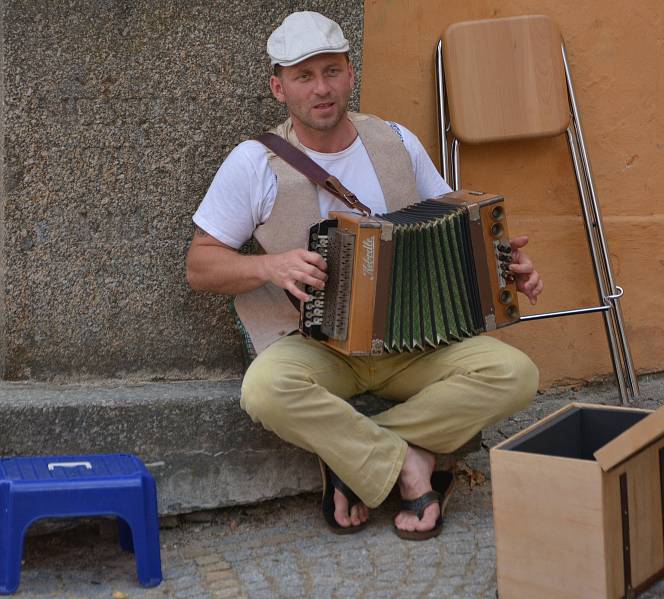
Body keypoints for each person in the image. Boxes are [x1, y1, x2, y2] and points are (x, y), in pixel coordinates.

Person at [186, 11, 544, 539]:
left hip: (413, 346)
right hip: (318, 348)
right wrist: (270, 264)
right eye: (304, 77)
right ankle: (410, 465)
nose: (321, 89)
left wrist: (504, 267)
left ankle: (357, 460)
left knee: (516, 374)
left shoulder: (395, 141)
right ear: (278, 87)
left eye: (331, 72)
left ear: (351, 74)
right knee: (264, 390)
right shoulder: (253, 163)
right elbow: (200, 265)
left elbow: (454, 228)